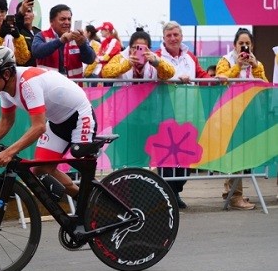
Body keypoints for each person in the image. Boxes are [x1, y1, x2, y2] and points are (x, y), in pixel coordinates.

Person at [0, 46, 97, 200]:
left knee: (82, 162)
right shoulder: (5, 88)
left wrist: (9, 152)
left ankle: (96, 202)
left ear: (6, 73)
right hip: (58, 122)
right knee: (40, 169)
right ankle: (86, 203)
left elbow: (39, 127)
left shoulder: (28, 83)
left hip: (79, 116)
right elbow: (6, 121)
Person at [155, 21, 212, 209]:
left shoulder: (190, 57)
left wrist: (217, 79)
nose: (173, 38)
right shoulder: (156, 56)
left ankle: (176, 191)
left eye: (176, 35)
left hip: (189, 114)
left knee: (187, 158)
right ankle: (168, 195)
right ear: (163, 38)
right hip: (165, 115)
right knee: (168, 158)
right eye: (169, 35)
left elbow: (202, 75)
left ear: (181, 36)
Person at [214, 27, 268, 210]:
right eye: (241, 43)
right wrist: (237, 66)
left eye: (247, 44)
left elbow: (265, 84)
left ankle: (231, 193)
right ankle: (235, 196)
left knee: (243, 155)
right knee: (237, 155)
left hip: (250, 114)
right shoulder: (226, 61)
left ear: (252, 45)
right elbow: (220, 79)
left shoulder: (256, 63)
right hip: (231, 114)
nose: (244, 47)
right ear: (235, 45)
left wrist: (255, 67)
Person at [31, 4, 96, 80]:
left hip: (73, 88)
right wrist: (60, 41)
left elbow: (90, 60)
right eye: (62, 19)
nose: (67, 22)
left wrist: (83, 45)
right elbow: (36, 52)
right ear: (51, 21)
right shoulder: (41, 35)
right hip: (49, 88)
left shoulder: (78, 37)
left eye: (69, 19)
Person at [101, 28, 175, 82]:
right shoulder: (120, 58)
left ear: (149, 48)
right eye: (135, 47)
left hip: (148, 101)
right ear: (129, 47)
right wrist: (127, 64)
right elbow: (105, 73)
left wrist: (156, 63)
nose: (139, 51)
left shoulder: (154, 58)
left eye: (143, 48)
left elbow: (170, 73)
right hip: (124, 101)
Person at [14, 0, 41, 67]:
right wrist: (20, 13)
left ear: (33, 15)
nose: (26, 14)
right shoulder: (17, 31)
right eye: (23, 12)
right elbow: (14, 24)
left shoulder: (39, 32)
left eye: (29, 11)